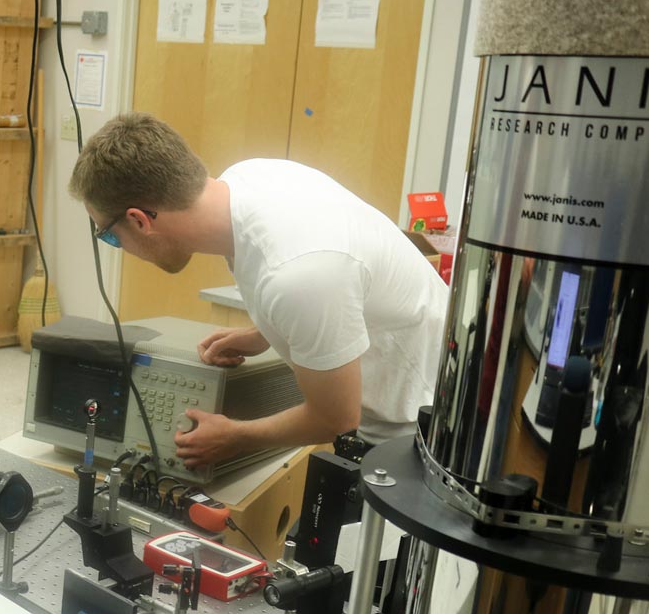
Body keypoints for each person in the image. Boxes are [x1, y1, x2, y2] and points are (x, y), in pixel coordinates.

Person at [68, 112, 448, 471]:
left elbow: (334, 419)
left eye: (109, 235)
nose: (115, 244)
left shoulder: (298, 275)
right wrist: (266, 331)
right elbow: (344, 293)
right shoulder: (250, 178)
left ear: (138, 220)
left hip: (422, 435)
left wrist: (234, 436)